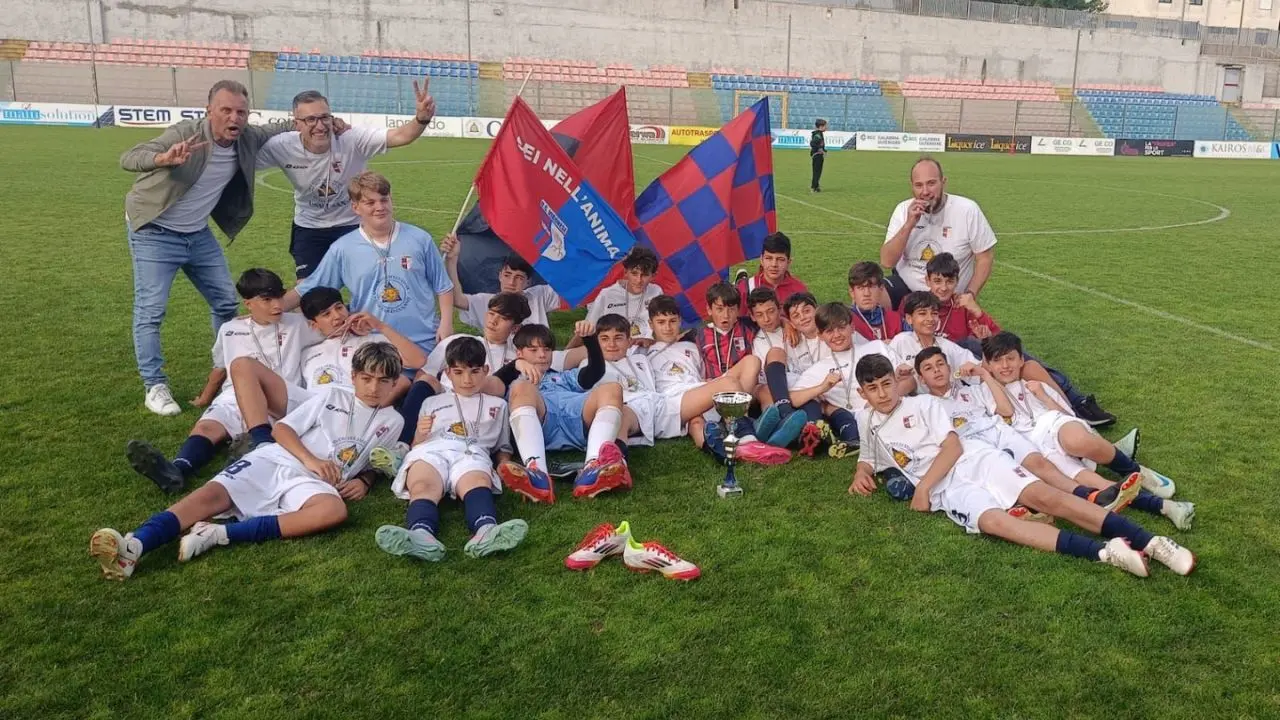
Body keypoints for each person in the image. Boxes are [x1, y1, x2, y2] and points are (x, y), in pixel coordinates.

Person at [848, 353, 1196, 577]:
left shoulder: (922, 404)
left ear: (897, 381)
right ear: (862, 394)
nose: (883, 394)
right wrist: (862, 471)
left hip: (974, 459)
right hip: (950, 489)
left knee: (1047, 497)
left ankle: (1152, 542)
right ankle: (1107, 553)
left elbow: (952, 447)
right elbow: (869, 455)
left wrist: (922, 487)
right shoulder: (867, 422)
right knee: (997, 524)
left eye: (887, 384)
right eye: (873, 389)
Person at [90, 343, 407, 581]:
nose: (373, 387)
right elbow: (281, 429)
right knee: (209, 497)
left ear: (395, 384)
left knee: (334, 511)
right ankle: (134, 547)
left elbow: (376, 459)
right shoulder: (331, 396)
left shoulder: (393, 421)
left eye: (383, 381)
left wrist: (364, 480)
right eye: (366, 378)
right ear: (353, 376)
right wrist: (311, 459)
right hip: (279, 457)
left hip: (312, 483)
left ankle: (219, 535)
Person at [121, 79, 290, 416]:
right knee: (151, 311)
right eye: (226, 110)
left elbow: (279, 127)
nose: (235, 117)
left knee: (226, 303)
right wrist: (163, 157)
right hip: (154, 231)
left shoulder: (247, 137)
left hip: (197, 234)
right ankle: (154, 385)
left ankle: (230, 371)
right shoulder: (186, 134)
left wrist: (322, 120)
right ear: (208, 111)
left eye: (241, 112)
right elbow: (129, 157)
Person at [126, 269, 321, 494]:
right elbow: (220, 367)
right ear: (248, 304)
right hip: (234, 395)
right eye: (267, 300)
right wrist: (205, 398)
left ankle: (256, 448)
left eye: (279, 297)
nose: (277, 305)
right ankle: (177, 470)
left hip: (276, 398)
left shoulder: (298, 324)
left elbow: (332, 327)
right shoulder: (230, 330)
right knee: (206, 426)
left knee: (246, 378)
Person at [980, 332, 1191, 527]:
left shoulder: (1033, 384)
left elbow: (1064, 413)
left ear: (1021, 360)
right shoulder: (984, 392)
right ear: (988, 365)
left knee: (1076, 441)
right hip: (1037, 446)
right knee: (1098, 484)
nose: (1005, 365)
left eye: (1010, 358)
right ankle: (1165, 507)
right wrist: (986, 374)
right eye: (997, 361)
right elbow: (1004, 409)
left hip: (1054, 423)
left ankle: (1136, 470)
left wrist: (1042, 395)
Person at [913, 347, 1138, 512]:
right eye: (929, 368)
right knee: (1026, 478)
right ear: (921, 378)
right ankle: (1089, 496)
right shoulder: (924, 406)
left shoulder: (971, 392)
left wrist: (984, 375)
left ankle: (1096, 493)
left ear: (949, 367)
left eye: (940, 364)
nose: (937, 371)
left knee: (1041, 464)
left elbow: (1005, 409)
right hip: (977, 447)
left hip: (1001, 432)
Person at [257, 85, 438, 278]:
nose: (319, 126)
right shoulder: (281, 146)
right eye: (310, 119)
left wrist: (422, 118)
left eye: (324, 117)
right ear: (297, 124)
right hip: (309, 227)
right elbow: (241, 159)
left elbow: (401, 136)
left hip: (353, 224)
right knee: (310, 292)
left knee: (374, 283)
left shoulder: (351, 139)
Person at [376, 337, 528, 563]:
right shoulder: (433, 402)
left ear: (486, 370)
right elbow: (418, 445)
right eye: (458, 372)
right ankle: (421, 535)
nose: (467, 379)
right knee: (423, 485)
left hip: (472, 453)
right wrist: (419, 433)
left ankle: (486, 530)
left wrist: (504, 462)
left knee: (476, 481)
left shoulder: (498, 405)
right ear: (447, 372)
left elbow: (502, 446)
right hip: (431, 450)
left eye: (475, 371)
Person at [924, 252, 1116, 426]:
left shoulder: (962, 305)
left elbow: (1000, 339)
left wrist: (977, 312)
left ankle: (1074, 411)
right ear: (928, 281)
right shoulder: (919, 306)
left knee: (1023, 361)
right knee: (970, 343)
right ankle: (1076, 410)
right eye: (938, 281)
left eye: (949, 282)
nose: (943, 288)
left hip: (974, 361)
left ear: (957, 281)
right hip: (953, 368)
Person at [283, 171, 454, 358]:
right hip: (373, 344)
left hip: (425, 339)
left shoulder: (420, 239)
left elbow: (443, 286)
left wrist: (446, 322)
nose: (379, 207)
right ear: (355, 207)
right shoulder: (343, 249)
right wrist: (267, 309)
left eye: (384, 200)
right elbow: (307, 289)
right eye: (370, 202)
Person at [496, 323, 635, 504]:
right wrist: (515, 366)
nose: (541, 355)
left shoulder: (564, 376)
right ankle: (537, 471)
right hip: (541, 422)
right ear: (519, 352)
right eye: (533, 350)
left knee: (612, 388)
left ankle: (592, 467)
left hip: (579, 421)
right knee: (523, 387)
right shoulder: (510, 379)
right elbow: (487, 385)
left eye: (547, 349)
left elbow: (595, 371)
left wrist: (590, 339)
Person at [647, 296, 774, 461]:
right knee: (728, 384)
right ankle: (746, 436)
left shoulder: (691, 346)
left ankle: (721, 445)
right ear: (651, 324)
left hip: (697, 391)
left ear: (680, 321)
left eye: (672, 321)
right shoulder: (641, 350)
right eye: (661, 322)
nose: (668, 327)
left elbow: (702, 374)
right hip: (672, 399)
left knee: (751, 361)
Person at [790, 303, 912, 457]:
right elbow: (793, 399)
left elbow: (909, 381)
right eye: (829, 331)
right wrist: (822, 387)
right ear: (820, 336)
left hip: (892, 406)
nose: (837, 335)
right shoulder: (820, 369)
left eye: (841, 328)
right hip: (858, 420)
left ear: (852, 327)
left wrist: (881, 401)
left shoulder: (876, 347)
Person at [880, 157, 996, 309]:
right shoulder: (903, 210)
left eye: (931, 183)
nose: (925, 191)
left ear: (943, 182)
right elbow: (887, 261)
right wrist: (909, 225)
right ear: (912, 186)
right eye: (919, 185)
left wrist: (970, 294)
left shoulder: (967, 210)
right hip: (907, 289)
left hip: (948, 294)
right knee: (873, 293)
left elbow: (985, 258)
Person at [297, 286, 426, 396]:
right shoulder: (306, 354)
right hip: (318, 413)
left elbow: (417, 361)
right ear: (314, 324)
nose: (337, 316)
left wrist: (380, 326)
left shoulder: (373, 342)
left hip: (361, 409)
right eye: (326, 314)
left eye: (339, 307)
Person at [441, 233, 562, 329]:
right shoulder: (487, 301)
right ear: (500, 276)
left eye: (519, 278)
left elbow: (571, 287)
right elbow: (457, 300)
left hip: (540, 356)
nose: (511, 282)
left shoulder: (538, 295)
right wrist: (452, 259)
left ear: (528, 282)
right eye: (507, 275)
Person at [581, 246, 663, 348]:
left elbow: (662, 326)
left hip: (645, 350)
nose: (639, 280)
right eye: (634, 273)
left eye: (645, 275)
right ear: (625, 272)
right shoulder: (607, 294)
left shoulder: (656, 291)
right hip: (613, 349)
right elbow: (588, 328)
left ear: (653, 276)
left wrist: (651, 341)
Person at [733, 232, 809, 315]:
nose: (774, 264)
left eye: (780, 259)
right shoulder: (745, 289)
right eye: (769, 258)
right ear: (761, 260)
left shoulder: (799, 290)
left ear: (789, 262)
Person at [847, 262, 905, 343]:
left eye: (871, 287)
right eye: (860, 288)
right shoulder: (845, 321)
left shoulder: (896, 319)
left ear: (881, 289)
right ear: (852, 292)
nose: (866, 294)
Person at [810, 118, 827, 193]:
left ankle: (816, 186)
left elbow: (820, 144)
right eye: (825, 126)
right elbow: (813, 143)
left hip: (818, 155)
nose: (826, 127)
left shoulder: (819, 134)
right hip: (817, 155)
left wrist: (824, 150)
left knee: (817, 172)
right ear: (820, 126)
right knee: (817, 172)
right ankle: (814, 187)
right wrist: (820, 149)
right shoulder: (818, 135)